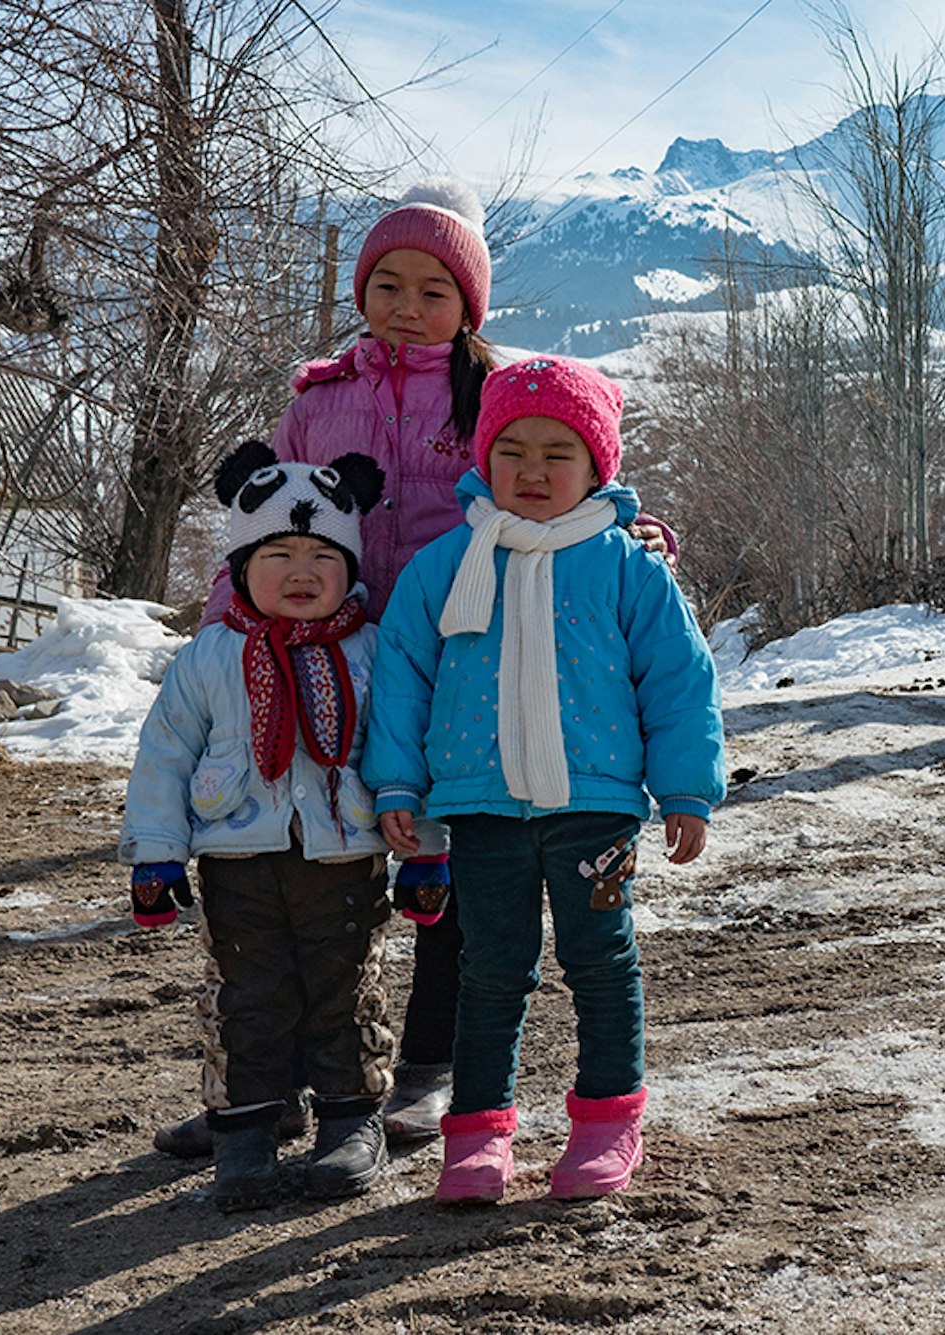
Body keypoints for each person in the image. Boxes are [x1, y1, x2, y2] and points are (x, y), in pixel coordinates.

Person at [152, 177, 677, 1159]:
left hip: (459, 664)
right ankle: (275, 1085)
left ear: (468, 304)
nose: (406, 303)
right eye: (386, 282)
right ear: (361, 289)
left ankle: (430, 1071)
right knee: (313, 876)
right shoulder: (318, 401)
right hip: (331, 656)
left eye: (432, 290)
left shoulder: (487, 390)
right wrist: (237, 614)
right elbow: (284, 515)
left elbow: (559, 475)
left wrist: (627, 531)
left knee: (454, 867)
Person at [363, 355, 725, 1203]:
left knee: (601, 961)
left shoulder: (628, 569)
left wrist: (685, 789)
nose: (531, 470)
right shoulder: (445, 565)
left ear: (598, 465)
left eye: (556, 452)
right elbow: (404, 677)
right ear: (483, 458)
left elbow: (678, 679)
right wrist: (396, 785)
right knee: (490, 969)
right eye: (511, 449)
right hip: (480, 810)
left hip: (595, 808)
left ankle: (606, 1120)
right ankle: (479, 1136)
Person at [120, 443, 394, 1211]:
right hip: (237, 858)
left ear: (349, 565)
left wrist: (429, 851)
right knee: (249, 995)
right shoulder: (210, 655)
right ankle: (246, 1127)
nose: (302, 571)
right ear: (242, 563)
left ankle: (348, 1119)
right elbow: (164, 754)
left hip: (346, 855)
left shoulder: (369, 651)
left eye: (321, 555)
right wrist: (155, 854)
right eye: (279, 552)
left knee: (345, 990)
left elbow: (406, 753)